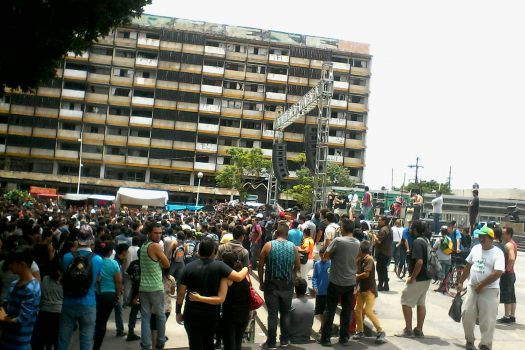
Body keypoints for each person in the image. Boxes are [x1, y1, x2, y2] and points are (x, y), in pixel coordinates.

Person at [176, 238, 249, 350]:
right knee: (208, 342)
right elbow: (238, 277)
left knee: (194, 343)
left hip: (192, 312)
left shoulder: (188, 267)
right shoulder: (219, 266)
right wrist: (245, 267)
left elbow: (180, 293)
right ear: (213, 252)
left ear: (199, 251)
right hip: (211, 314)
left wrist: (178, 312)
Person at [458, 226, 504, 350]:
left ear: (491, 238)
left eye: (483, 237)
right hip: (473, 288)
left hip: (489, 290)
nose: (481, 239)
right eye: (480, 237)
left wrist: (482, 284)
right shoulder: (475, 248)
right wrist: (461, 281)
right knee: (466, 314)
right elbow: (468, 266)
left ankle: (485, 344)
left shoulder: (498, 253)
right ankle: (469, 340)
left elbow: (498, 272)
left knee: (487, 320)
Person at [57, 225, 103, 350]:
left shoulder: (67, 257)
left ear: (77, 239)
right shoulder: (98, 260)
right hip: (89, 303)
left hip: (68, 302)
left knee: (63, 339)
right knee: (87, 341)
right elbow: (98, 279)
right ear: (92, 239)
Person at [258, 222, 300, 349]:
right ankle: (284, 340)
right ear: (287, 234)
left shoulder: (268, 245)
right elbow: (297, 266)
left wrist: (261, 282)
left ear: (276, 233)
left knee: (272, 314)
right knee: (285, 313)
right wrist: (291, 276)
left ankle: (271, 342)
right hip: (287, 285)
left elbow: (260, 266)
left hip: (271, 285)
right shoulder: (293, 247)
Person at [320, 219, 360, 347]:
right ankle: (344, 337)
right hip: (350, 281)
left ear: (342, 228)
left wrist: (333, 256)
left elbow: (325, 256)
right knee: (347, 310)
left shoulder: (338, 241)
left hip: (336, 281)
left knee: (330, 310)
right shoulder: (357, 243)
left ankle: (326, 338)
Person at [0, 245, 41, 350]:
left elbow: (22, 320)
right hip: (6, 340)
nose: (10, 266)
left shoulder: (32, 289)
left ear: (22, 264)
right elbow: (5, 305)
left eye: (13, 264)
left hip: (19, 344)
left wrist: (4, 319)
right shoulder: (14, 284)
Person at [139, 223, 170, 350]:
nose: (158, 235)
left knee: (145, 318)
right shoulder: (155, 246)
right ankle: (161, 341)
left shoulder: (143, 246)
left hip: (143, 288)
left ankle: (146, 345)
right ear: (149, 233)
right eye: (155, 233)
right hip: (156, 288)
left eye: (160, 233)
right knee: (160, 315)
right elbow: (167, 264)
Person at [398, 220, 431, 338]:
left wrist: (412, 277)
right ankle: (419, 329)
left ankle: (408, 330)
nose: (410, 229)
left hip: (419, 278)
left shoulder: (417, 242)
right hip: (426, 277)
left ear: (415, 229)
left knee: (405, 301)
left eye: (411, 228)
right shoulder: (426, 240)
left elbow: (419, 262)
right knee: (421, 303)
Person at [353, 240, 386, 344]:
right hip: (361, 289)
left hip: (370, 290)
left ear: (361, 250)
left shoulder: (369, 259)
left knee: (367, 311)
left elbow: (366, 274)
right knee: (357, 309)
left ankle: (380, 331)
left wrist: (356, 276)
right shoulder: (359, 260)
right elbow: (357, 275)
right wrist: (356, 288)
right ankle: (360, 331)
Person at [93, 240, 122, 350]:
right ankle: (97, 346)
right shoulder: (114, 263)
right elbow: (118, 282)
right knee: (102, 321)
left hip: (95, 294)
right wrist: (118, 295)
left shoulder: (94, 261)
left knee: (96, 319)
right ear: (110, 252)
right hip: (110, 295)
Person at [31, 260, 63, 350]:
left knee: (44, 336)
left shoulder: (44, 278)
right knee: (55, 337)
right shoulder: (62, 282)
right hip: (58, 312)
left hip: (43, 311)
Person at [497, 226, 518, 324]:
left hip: (508, 274)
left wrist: (507, 269)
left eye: (504, 233)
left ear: (508, 234)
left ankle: (506, 316)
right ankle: (512, 315)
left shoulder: (508, 245)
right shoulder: (512, 243)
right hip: (511, 274)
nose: (502, 234)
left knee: (507, 296)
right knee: (512, 295)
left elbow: (512, 258)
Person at [289, 277, 314, 344]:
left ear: (295, 289)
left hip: (292, 339)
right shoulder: (312, 305)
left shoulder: (291, 304)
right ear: (305, 289)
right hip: (306, 338)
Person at [312, 247, 331, 332]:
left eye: (324, 256)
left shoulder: (331, 264)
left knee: (327, 310)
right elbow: (314, 277)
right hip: (320, 291)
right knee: (320, 310)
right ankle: (323, 325)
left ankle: (325, 326)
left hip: (329, 291)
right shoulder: (317, 264)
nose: (323, 258)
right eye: (321, 256)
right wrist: (315, 286)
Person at [432, 227, 453, 293]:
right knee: (446, 274)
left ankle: (441, 288)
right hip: (448, 259)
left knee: (442, 275)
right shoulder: (449, 239)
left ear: (441, 232)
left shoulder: (438, 239)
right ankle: (446, 287)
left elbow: (434, 248)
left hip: (441, 259)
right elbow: (451, 248)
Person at [375, 216, 393, 291]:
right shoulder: (389, 228)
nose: (378, 221)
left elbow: (379, 241)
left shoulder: (383, 230)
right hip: (387, 252)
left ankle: (380, 285)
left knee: (380, 268)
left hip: (382, 252)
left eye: (379, 220)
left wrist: (373, 236)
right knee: (384, 268)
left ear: (384, 221)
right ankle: (386, 285)